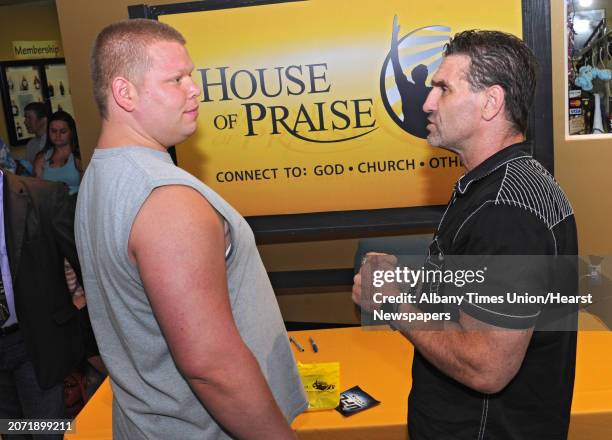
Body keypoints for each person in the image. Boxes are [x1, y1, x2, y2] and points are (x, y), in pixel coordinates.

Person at [76, 19, 307, 439]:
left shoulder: (101, 174)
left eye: (192, 76)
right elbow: (211, 367)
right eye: (176, 79)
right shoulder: (167, 199)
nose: (194, 89)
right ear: (124, 93)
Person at [353, 30, 578, 439]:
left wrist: (393, 306)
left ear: (490, 103)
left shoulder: (504, 211)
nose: (427, 102)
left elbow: (486, 366)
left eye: (443, 88)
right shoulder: (504, 186)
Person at [0, 171, 87, 439]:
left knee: (48, 432)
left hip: (35, 344)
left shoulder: (45, 196)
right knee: (12, 432)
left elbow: (87, 268)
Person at [33, 110, 83, 196]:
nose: (58, 135)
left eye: (63, 131)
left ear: (71, 132)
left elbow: (88, 189)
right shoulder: (41, 158)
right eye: (53, 131)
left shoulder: (79, 157)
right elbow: (37, 191)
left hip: (76, 205)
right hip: (51, 206)